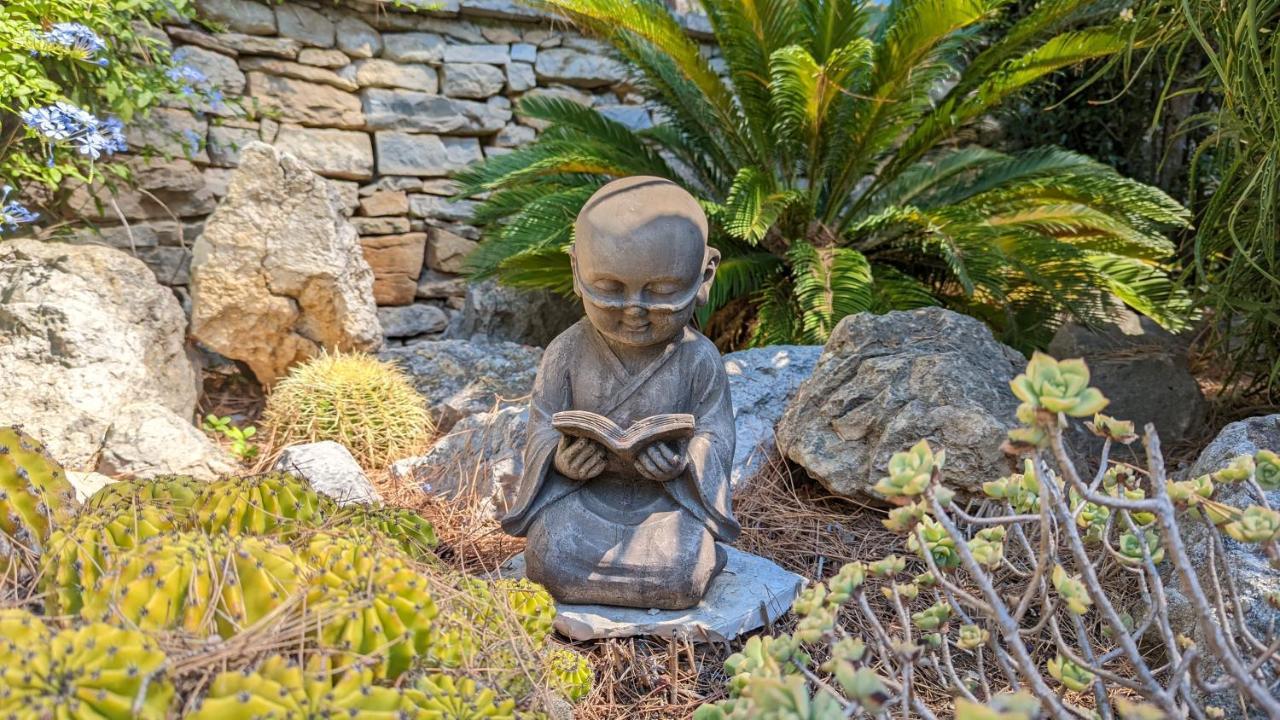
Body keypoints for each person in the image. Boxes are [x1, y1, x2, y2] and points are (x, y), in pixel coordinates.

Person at [501, 176, 739, 610]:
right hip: (584, 499)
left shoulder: (698, 358)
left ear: (704, 276)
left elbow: (717, 436)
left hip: (664, 505)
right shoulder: (566, 351)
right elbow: (539, 426)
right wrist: (560, 459)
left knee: (682, 567)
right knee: (549, 555)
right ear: (577, 270)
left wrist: (684, 462)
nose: (635, 309)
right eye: (609, 290)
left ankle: (693, 563)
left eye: (663, 291)